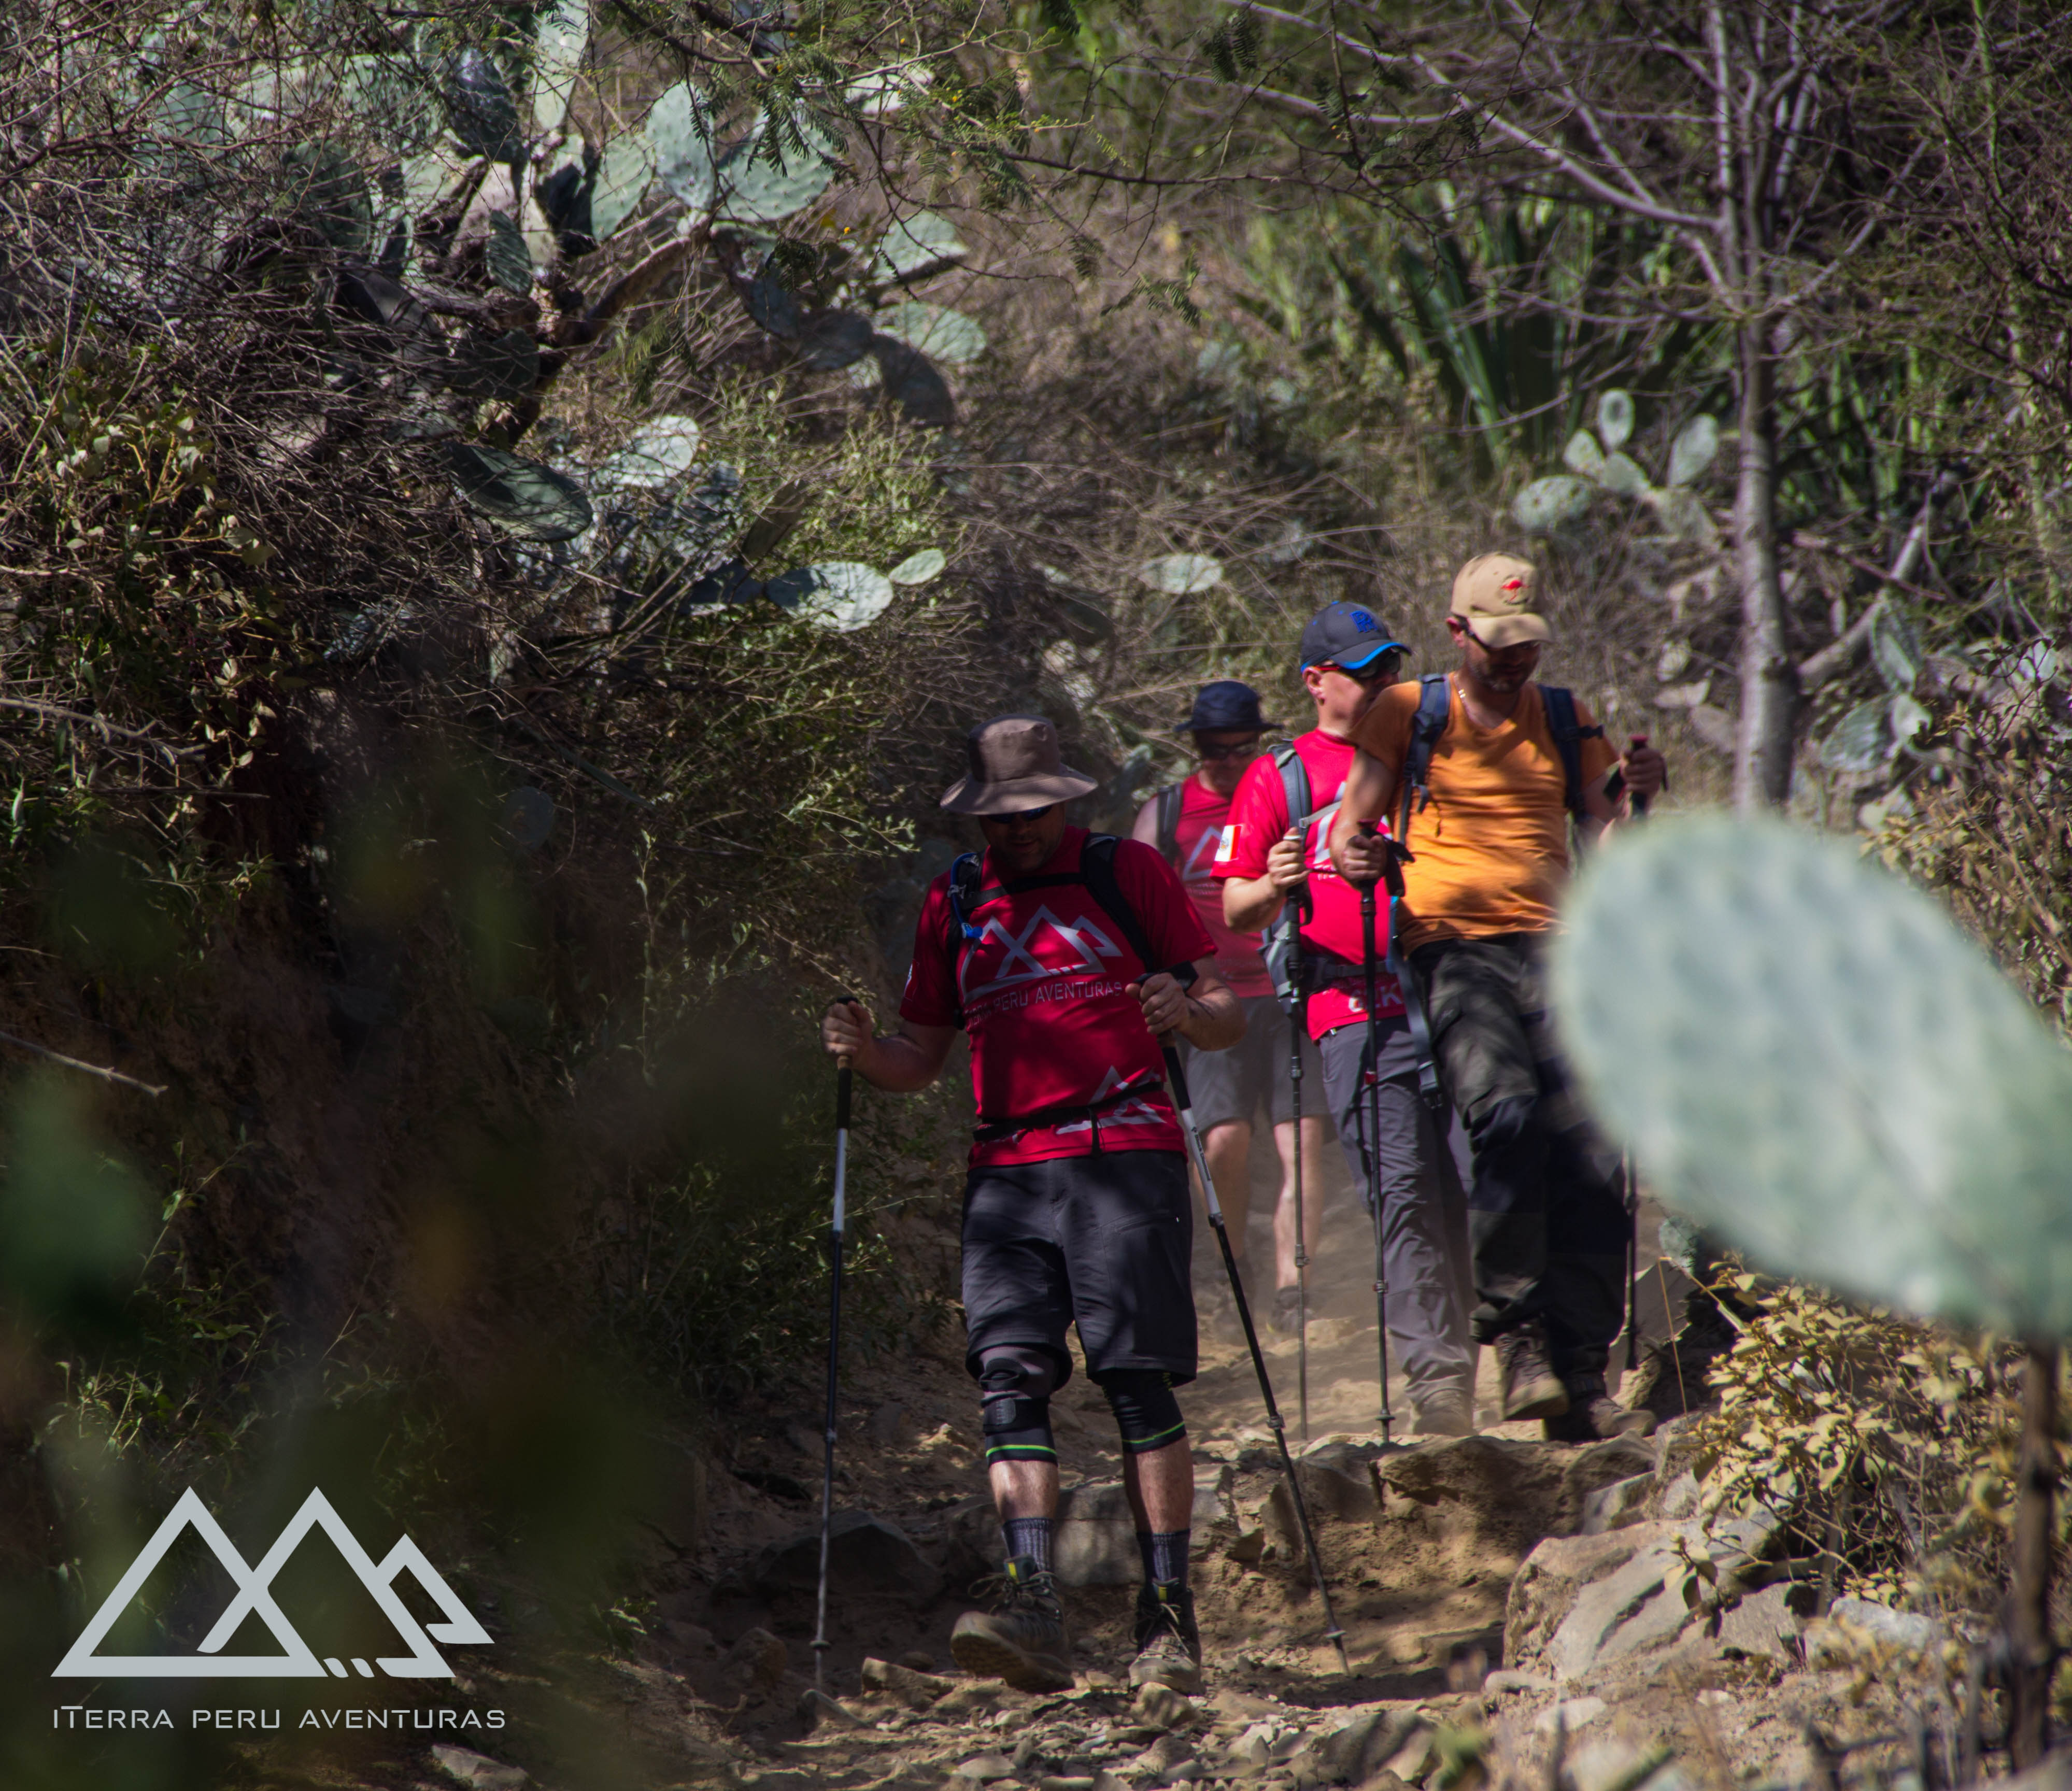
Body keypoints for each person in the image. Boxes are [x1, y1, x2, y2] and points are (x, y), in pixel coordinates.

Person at [821, 714, 1242, 1696]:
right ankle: (1033, 1605)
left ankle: (1167, 1617)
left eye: (1030, 812)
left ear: (1064, 800)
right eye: (996, 816)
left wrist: (1184, 1011)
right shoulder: (954, 900)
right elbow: (916, 1058)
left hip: (1125, 1150)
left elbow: (1221, 1011)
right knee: (1008, 1383)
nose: (1013, 831)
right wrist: (856, 1050)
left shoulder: (1123, 876)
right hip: (1006, 1169)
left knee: (1136, 1384)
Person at [1327, 555, 1667, 1442]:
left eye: (1527, 644)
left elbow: (1606, 826)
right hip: (1455, 950)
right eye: (1497, 643)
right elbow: (1347, 831)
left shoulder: (1564, 715)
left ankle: (1582, 1377)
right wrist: (1355, 856)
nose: (1514, 660)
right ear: (1457, 632)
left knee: (1591, 1146)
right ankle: (1515, 1338)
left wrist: (1639, 797)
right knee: (1507, 1115)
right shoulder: (1406, 712)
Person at [1216, 603, 1478, 1437]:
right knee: (1401, 1192)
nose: (1377, 685)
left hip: (1458, 996)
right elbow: (1236, 907)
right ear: (1314, 682)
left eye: (1387, 669)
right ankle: (1438, 1380)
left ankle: (1489, 1342)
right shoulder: (1279, 775)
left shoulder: (1432, 749)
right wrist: (1281, 880)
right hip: (1350, 1008)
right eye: (1361, 672)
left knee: (1473, 1184)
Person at [1132, 680, 1330, 1318]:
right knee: (1222, 1144)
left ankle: (1293, 1285)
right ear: (1195, 747)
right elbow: (1135, 903)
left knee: (1297, 1139)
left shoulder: (1284, 799)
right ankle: (1234, 1260)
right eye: (1212, 749)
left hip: (1290, 993)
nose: (1225, 760)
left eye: (1239, 748)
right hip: (1210, 1002)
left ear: (1257, 744)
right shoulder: (1164, 816)